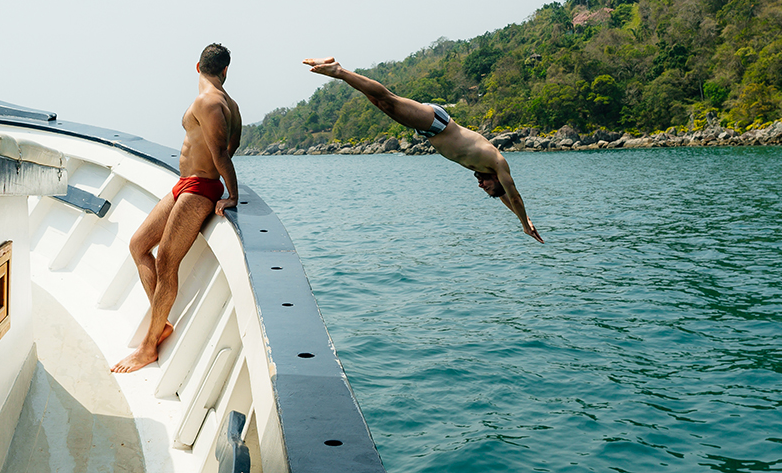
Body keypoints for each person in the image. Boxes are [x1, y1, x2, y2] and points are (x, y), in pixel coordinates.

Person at [302, 57, 544, 242]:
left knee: (380, 103)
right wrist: (524, 223)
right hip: (438, 123)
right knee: (389, 100)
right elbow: (513, 195)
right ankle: (338, 71)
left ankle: (339, 70)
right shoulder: (498, 162)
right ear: (497, 180)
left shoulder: (488, 171)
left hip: (430, 130)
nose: (481, 186)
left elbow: (505, 197)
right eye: (487, 187)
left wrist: (522, 218)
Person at [113, 43, 242, 373]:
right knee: (139, 246)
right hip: (186, 184)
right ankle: (162, 323)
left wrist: (231, 196)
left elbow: (221, 155)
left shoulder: (209, 101)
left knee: (166, 261)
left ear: (197, 66)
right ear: (225, 70)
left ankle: (148, 347)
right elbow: (234, 144)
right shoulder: (229, 104)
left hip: (199, 189)